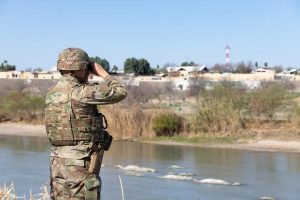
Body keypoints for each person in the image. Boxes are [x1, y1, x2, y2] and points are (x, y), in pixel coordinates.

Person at [45, 48, 127, 199]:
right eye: (86, 68)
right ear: (81, 69)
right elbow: (120, 92)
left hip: (57, 162)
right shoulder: (82, 92)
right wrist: (103, 73)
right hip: (79, 163)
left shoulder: (52, 93)